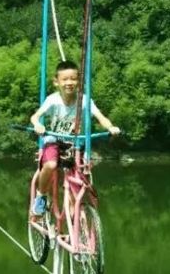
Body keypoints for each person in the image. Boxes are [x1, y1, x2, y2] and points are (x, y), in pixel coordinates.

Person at [29, 60, 120, 216]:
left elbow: (101, 117)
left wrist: (111, 127)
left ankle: (75, 219)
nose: (69, 83)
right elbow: (35, 117)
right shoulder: (53, 100)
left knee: (79, 178)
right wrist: (38, 125)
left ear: (78, 81)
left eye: (73, 79)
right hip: (54, 141)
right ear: (56, 82)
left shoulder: (84, 100)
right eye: (65, 79)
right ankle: (41, 195)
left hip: (75, 145)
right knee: (50, 165)